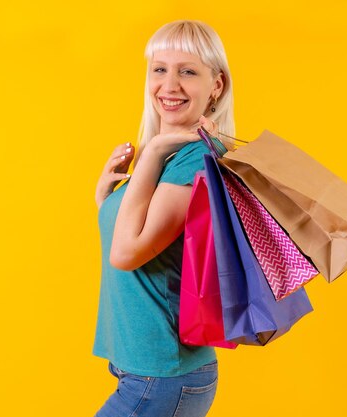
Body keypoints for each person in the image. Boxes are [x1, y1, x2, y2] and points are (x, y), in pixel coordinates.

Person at [92, 20, 235, 417]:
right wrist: (106, 200)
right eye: (160, 69)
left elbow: (126, 254)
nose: (169, 85)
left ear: (216, 85)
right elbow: (145, 243)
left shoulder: (189, 158)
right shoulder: (170, 154)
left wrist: (153, 152)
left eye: (187, 71)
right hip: (145, 368)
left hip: (162, 374)